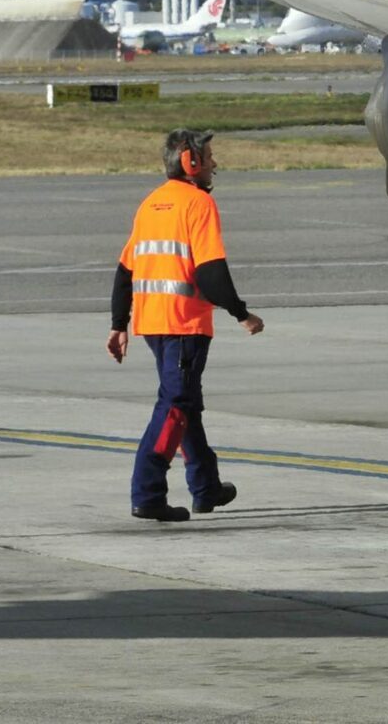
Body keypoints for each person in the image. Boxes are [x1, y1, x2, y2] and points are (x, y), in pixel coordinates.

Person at [108, 129, 264, 522]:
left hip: (153, 324)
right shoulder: (198, 204)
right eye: (209, 157)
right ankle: (147, 492)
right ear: (190, 162)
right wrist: (241, 313)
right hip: (184, 325)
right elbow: (210, 271)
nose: (214, 164)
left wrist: (118, 323)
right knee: (176, 406)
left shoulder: (151, 203)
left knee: (187, 403)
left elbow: (126, 270)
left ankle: (205, 487)